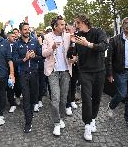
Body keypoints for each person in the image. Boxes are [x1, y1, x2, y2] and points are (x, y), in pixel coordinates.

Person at [72, 13, 108, 141]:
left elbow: (104, 46)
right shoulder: (77, 36)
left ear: (84, 21)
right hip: (85, 72)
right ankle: (87, 125)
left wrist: (88, 44)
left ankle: (92, 119)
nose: (75, 25)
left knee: (97, 98)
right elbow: (74, 54)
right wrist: (73, 56)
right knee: (86, 99)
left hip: (99, 71)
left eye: (77, 23)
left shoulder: (98, 32)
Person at [42, 15, 74, 136]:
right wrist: (52, 47)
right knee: (55, 98)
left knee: (63, 99)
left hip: (66, 71)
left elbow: (73, 50)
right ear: (55, 26)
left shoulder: (67, 36)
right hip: (53, 72)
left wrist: (74, 58)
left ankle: (60, 118)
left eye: (64, 24)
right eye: (61, 24)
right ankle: (56, 123)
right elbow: (44, 53)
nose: (63, 26)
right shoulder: (47, 37)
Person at [13, 22, 42, 133]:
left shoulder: (35, 41)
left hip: (34, 73)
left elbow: (41, 57)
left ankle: (30, 112)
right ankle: (28, 122)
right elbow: (15, 61)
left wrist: (35, 56)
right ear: (20, 31)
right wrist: (24, 59)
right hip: (23, 74)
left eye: (28, 29)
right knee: (26, 97)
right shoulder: (16, 44)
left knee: (34, 97)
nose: (27, 31)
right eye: (25, 29)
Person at [65, 22, 79, 116]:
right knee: (67, 86)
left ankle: (72, 99)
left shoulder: (77, 39)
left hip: (76, 66)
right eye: (66, 30)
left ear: (73, 29)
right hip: (66, 66)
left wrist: (76, 58)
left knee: (73, 83)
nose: (68, 31)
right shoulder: (64, 39)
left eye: (69, 30)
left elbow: (81, 51)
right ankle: (67, 105)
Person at [6, 31, 17, 113]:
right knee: (10, 87)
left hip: (17, 68)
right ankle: (12, 104)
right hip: (6, 69)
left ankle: (17, 96)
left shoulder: (17, 44)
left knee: (19, 86)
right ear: (8, 37)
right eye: (12, 36)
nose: (14, 37)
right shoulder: (4, 45)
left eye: (15, 36)